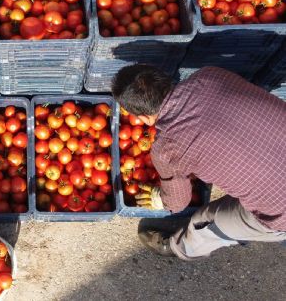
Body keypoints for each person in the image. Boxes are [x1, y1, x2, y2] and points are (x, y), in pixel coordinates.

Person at [111, 64, 286, 260]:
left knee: (208, 222)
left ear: (144, 118)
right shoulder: (210, 74)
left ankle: (179, 247)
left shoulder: (167, 147)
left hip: (282, 212)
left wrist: (160, 198)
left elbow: (178, 203)